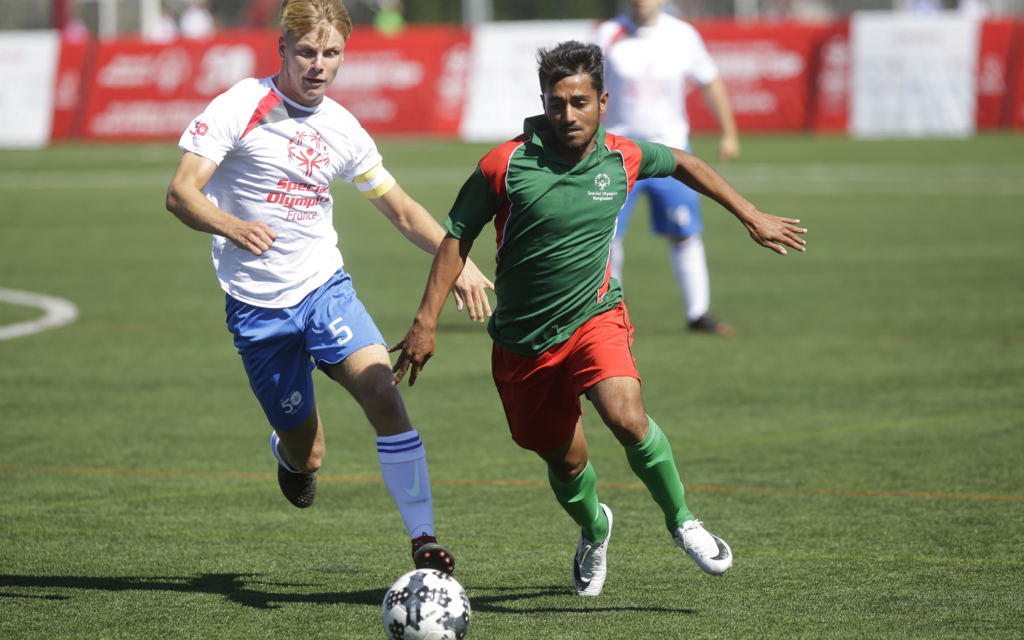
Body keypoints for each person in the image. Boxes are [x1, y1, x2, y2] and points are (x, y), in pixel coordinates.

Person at [390, 41, 805, 596]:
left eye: (580, 102)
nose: (568, 115)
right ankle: (595, 527)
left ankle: (683, 520)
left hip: (596, 316)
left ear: (603, 101)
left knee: (627, 416)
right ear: (543, 101)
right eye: (556, 103)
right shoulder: (504, 164)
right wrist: (425, 321)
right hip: (524, 342)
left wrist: (750, 215)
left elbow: (686, 162)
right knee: (567, 463)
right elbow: (455, 239)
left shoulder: (622, 156)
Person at [165, 0, 493, 575]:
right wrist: (233, 226)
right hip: (257, 309)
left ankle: (424, 540)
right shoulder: (241, 105)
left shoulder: (342, 127)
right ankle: (290, 456)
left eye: (331, 53)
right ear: (284, 50)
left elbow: (400, 208)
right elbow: (181, 194)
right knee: (308, 452)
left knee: (384, 395)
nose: (318, 65)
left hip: (323, 290)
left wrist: (457, 257)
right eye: (308, 52)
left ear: (344, 55)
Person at [594, 0, 740, 335]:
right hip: (617, 154)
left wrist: (729, 133)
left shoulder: (683, 35)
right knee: (606, 236)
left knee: (684, 232)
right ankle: (608, 311)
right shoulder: (608, 34)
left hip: (672, 154)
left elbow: (711, 81)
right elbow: (584, 85)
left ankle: (698, 314)